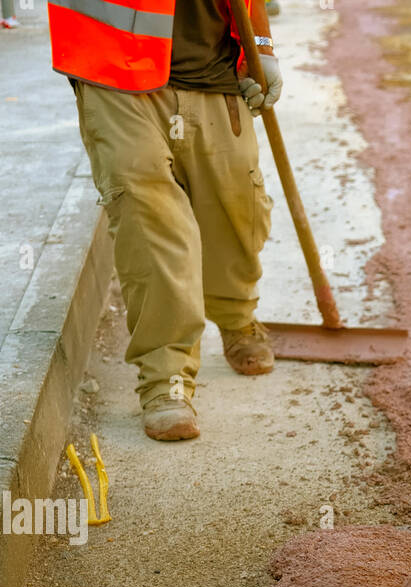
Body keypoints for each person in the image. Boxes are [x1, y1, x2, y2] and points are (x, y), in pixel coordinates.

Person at [48, 0, 283, 441]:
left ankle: (235, 313)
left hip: (214, 65)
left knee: (235, 207)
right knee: (151, 222)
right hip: (112, 64)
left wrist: (262, 44)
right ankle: (166, 380)